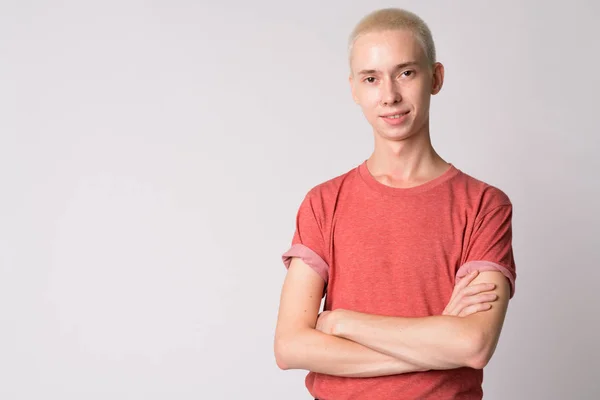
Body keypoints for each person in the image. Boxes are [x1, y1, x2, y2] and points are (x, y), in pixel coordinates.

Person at [273, 7, 516, 400]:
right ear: (354, 88)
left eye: (406, 72)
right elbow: (290, 347)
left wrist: (340, 322)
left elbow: (472, 345)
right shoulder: (323, 203)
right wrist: (436, 342)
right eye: (372, 78)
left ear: (435, 78)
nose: (389, 96)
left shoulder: (484, 205)